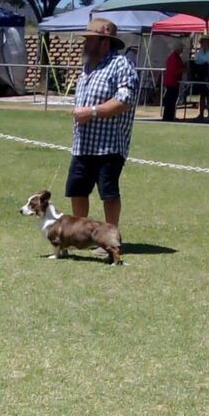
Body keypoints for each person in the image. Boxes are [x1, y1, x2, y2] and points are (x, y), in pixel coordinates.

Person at [66, 18, 138, 254]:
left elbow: (125, 99)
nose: (85, 44)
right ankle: (79, 236)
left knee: (108, 193)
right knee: (77, 189)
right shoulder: (88, 66)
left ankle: (110, 239)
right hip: (83, 145)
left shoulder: (121, 64)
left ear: (105, 41)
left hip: (108, 145)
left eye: (89, 39)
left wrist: (92, 112)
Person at [162, 40, 184, 121]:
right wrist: (183, 70)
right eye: (181, 48)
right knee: (170, 100)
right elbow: (173, 71)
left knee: (173, 100)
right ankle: (167, 117)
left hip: (175, 82)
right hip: (171, 82)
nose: (182, 50)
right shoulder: (173, 57)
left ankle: (171, 116)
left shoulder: (177, 57)